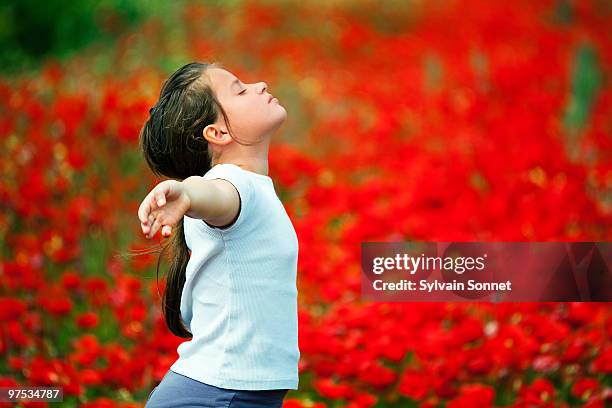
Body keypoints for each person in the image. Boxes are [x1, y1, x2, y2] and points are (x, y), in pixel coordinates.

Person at [137, 61, 299, 407]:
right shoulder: (233, 186)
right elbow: (214, 195)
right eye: (240, 89)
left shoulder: (253, 188)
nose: (261, 83)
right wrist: (187, 194)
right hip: (216, 396)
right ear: (218, 133)